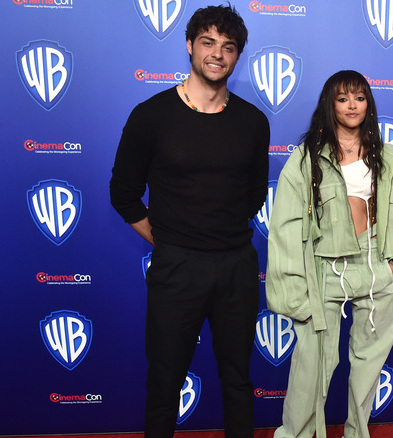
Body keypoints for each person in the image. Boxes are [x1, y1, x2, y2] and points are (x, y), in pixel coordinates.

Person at [109, 5, 269, 438]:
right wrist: (167, 240)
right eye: (208, 42)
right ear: (189, 45)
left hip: (236, 268)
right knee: (164, 384)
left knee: (238, 381)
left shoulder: (254, 122)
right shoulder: (151, 115)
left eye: (228, 47)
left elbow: (255, 193)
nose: (218, 54)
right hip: (176, 268)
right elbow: (122, 193)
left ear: (237, 57)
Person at [266, 70, 393, 438]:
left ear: (368, 103)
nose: (352, 105)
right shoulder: (306, 159)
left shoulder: (388, 157)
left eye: (360, 97)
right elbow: (285, 228)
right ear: (330, 105)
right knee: (310, 370)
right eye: (342, 98)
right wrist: (293, 291)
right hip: (324, 269)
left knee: (369, 366)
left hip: (375, 266)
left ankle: (357, 433)